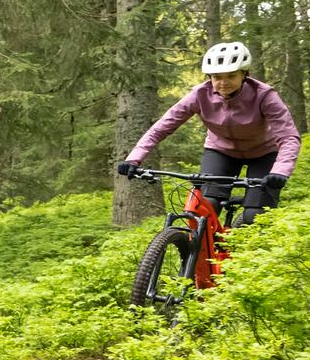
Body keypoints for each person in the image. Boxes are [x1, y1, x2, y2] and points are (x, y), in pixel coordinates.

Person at [117, 41, 300, 226]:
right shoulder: (199, 95)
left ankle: (249, 251)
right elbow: (162, 127)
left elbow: (289, 137)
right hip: (221, 151)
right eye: (217, 76)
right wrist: (134, 158)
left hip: (264, 153)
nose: (223, 82)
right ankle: (201, 251)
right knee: (204, 208)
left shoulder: (264, 96)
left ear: (244, 74)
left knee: (255, 216)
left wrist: (280, 171)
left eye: (231, 76)